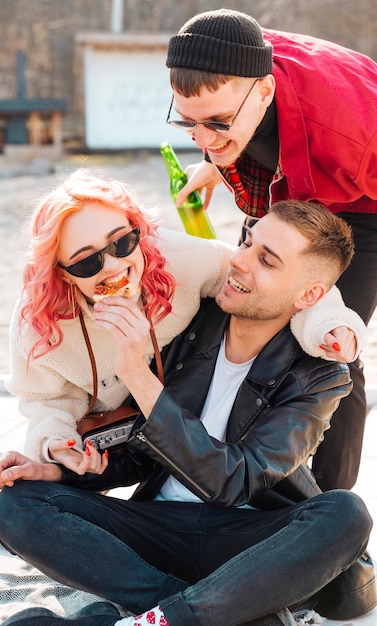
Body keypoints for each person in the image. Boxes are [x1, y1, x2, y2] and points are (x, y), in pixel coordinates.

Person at [0, 200, 376, 626]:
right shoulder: (187, 319)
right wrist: (59, 471)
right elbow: (143, 452)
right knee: (16, 506)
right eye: (247, 242)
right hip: (158, 527)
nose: (239, 260)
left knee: (345, 513)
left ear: (310, 296)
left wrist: (138, 374)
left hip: (254, 543)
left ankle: (169, 615)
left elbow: (236, 481)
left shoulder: (320, 374)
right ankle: (189, 613)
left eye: (265, 259)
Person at [2, 168, 363, 471]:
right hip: (98, 430)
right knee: (21, 501)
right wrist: (55, 446)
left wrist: (328, 322)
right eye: (86, 262)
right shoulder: (36, 321)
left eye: (122, 242)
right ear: (63, 273)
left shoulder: (181, 260)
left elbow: (286, 283)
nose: (114, 266)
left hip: (171, 416)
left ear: (138, 229)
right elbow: (44, 400)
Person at [164, 8, 377, 491]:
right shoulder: (226, 55)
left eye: (216, 123)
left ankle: (328, 512)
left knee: (331, 346)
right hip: (288, 189)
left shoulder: (355, 131)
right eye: (188, 124)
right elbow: (212, 119)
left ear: (263, 90)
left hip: (364, 203)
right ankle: (233, 468)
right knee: (248, 310)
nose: (200, 137)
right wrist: (217, 154)